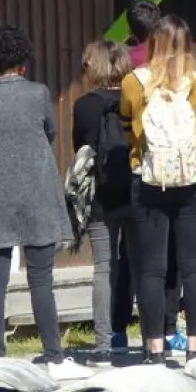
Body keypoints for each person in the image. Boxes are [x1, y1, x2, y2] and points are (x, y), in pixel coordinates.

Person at [0, 25, 91, 380]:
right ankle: (53, 355)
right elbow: (50, 131)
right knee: (41, 278)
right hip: (36, 190)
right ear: (22, 58)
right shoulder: (38, 93)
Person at [122, 15, 196, 364]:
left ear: (153, 43)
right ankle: (194, 347)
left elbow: (129, 121)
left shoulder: (134, 82)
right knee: (192, 265)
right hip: (192, 177)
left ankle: (155, 349)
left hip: (148, 178)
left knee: (151, 269)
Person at [125, 0, 187, 355]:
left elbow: (125, 120)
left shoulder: (131, 71)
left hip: (143, 169)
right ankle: (175, 329)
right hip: (182, 171)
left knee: (148, 260)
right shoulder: (184, 74)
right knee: (180, 258)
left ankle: (151, 340)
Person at [72, 41, 133, 366]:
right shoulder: (136, 98)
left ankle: (103, 345)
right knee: (138, 265)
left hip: (99, 196)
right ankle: (140, 339)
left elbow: (79, 150)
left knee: (103, 268)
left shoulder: (84, 106)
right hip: (137, 192)